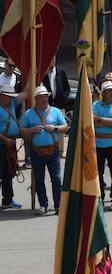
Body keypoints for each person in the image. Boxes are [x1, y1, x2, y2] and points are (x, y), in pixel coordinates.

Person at [20, 85, 67, 213]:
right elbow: (22, 131)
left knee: (56, 179)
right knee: (39, 180)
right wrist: (31, 130)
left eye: (46, 96)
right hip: (36, 152)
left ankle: (58, 205)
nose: (44, 99)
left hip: (53, 151)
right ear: (36, 98)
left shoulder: (56, 111)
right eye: (41, 97)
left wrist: (55, 128)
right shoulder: (29, 114)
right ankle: (43, 205)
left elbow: (65, 127)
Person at [93, 76, 112, 210]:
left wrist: (100, 119)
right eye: (109, 91)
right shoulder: (95, 105)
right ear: (103, 93)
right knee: (98, 173)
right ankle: (100, 198)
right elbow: (92, 122)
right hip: (98, 144)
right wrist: (109, 121)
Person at [0, 87, 21, 210]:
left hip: (10, 144)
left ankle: (7, 199)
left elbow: (26, 93)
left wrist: (31, 75)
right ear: (3, 96)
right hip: (2, 144)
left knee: (9, 172)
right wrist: (5, 140)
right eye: (9, 96)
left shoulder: (11, 104)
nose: (11, 98)